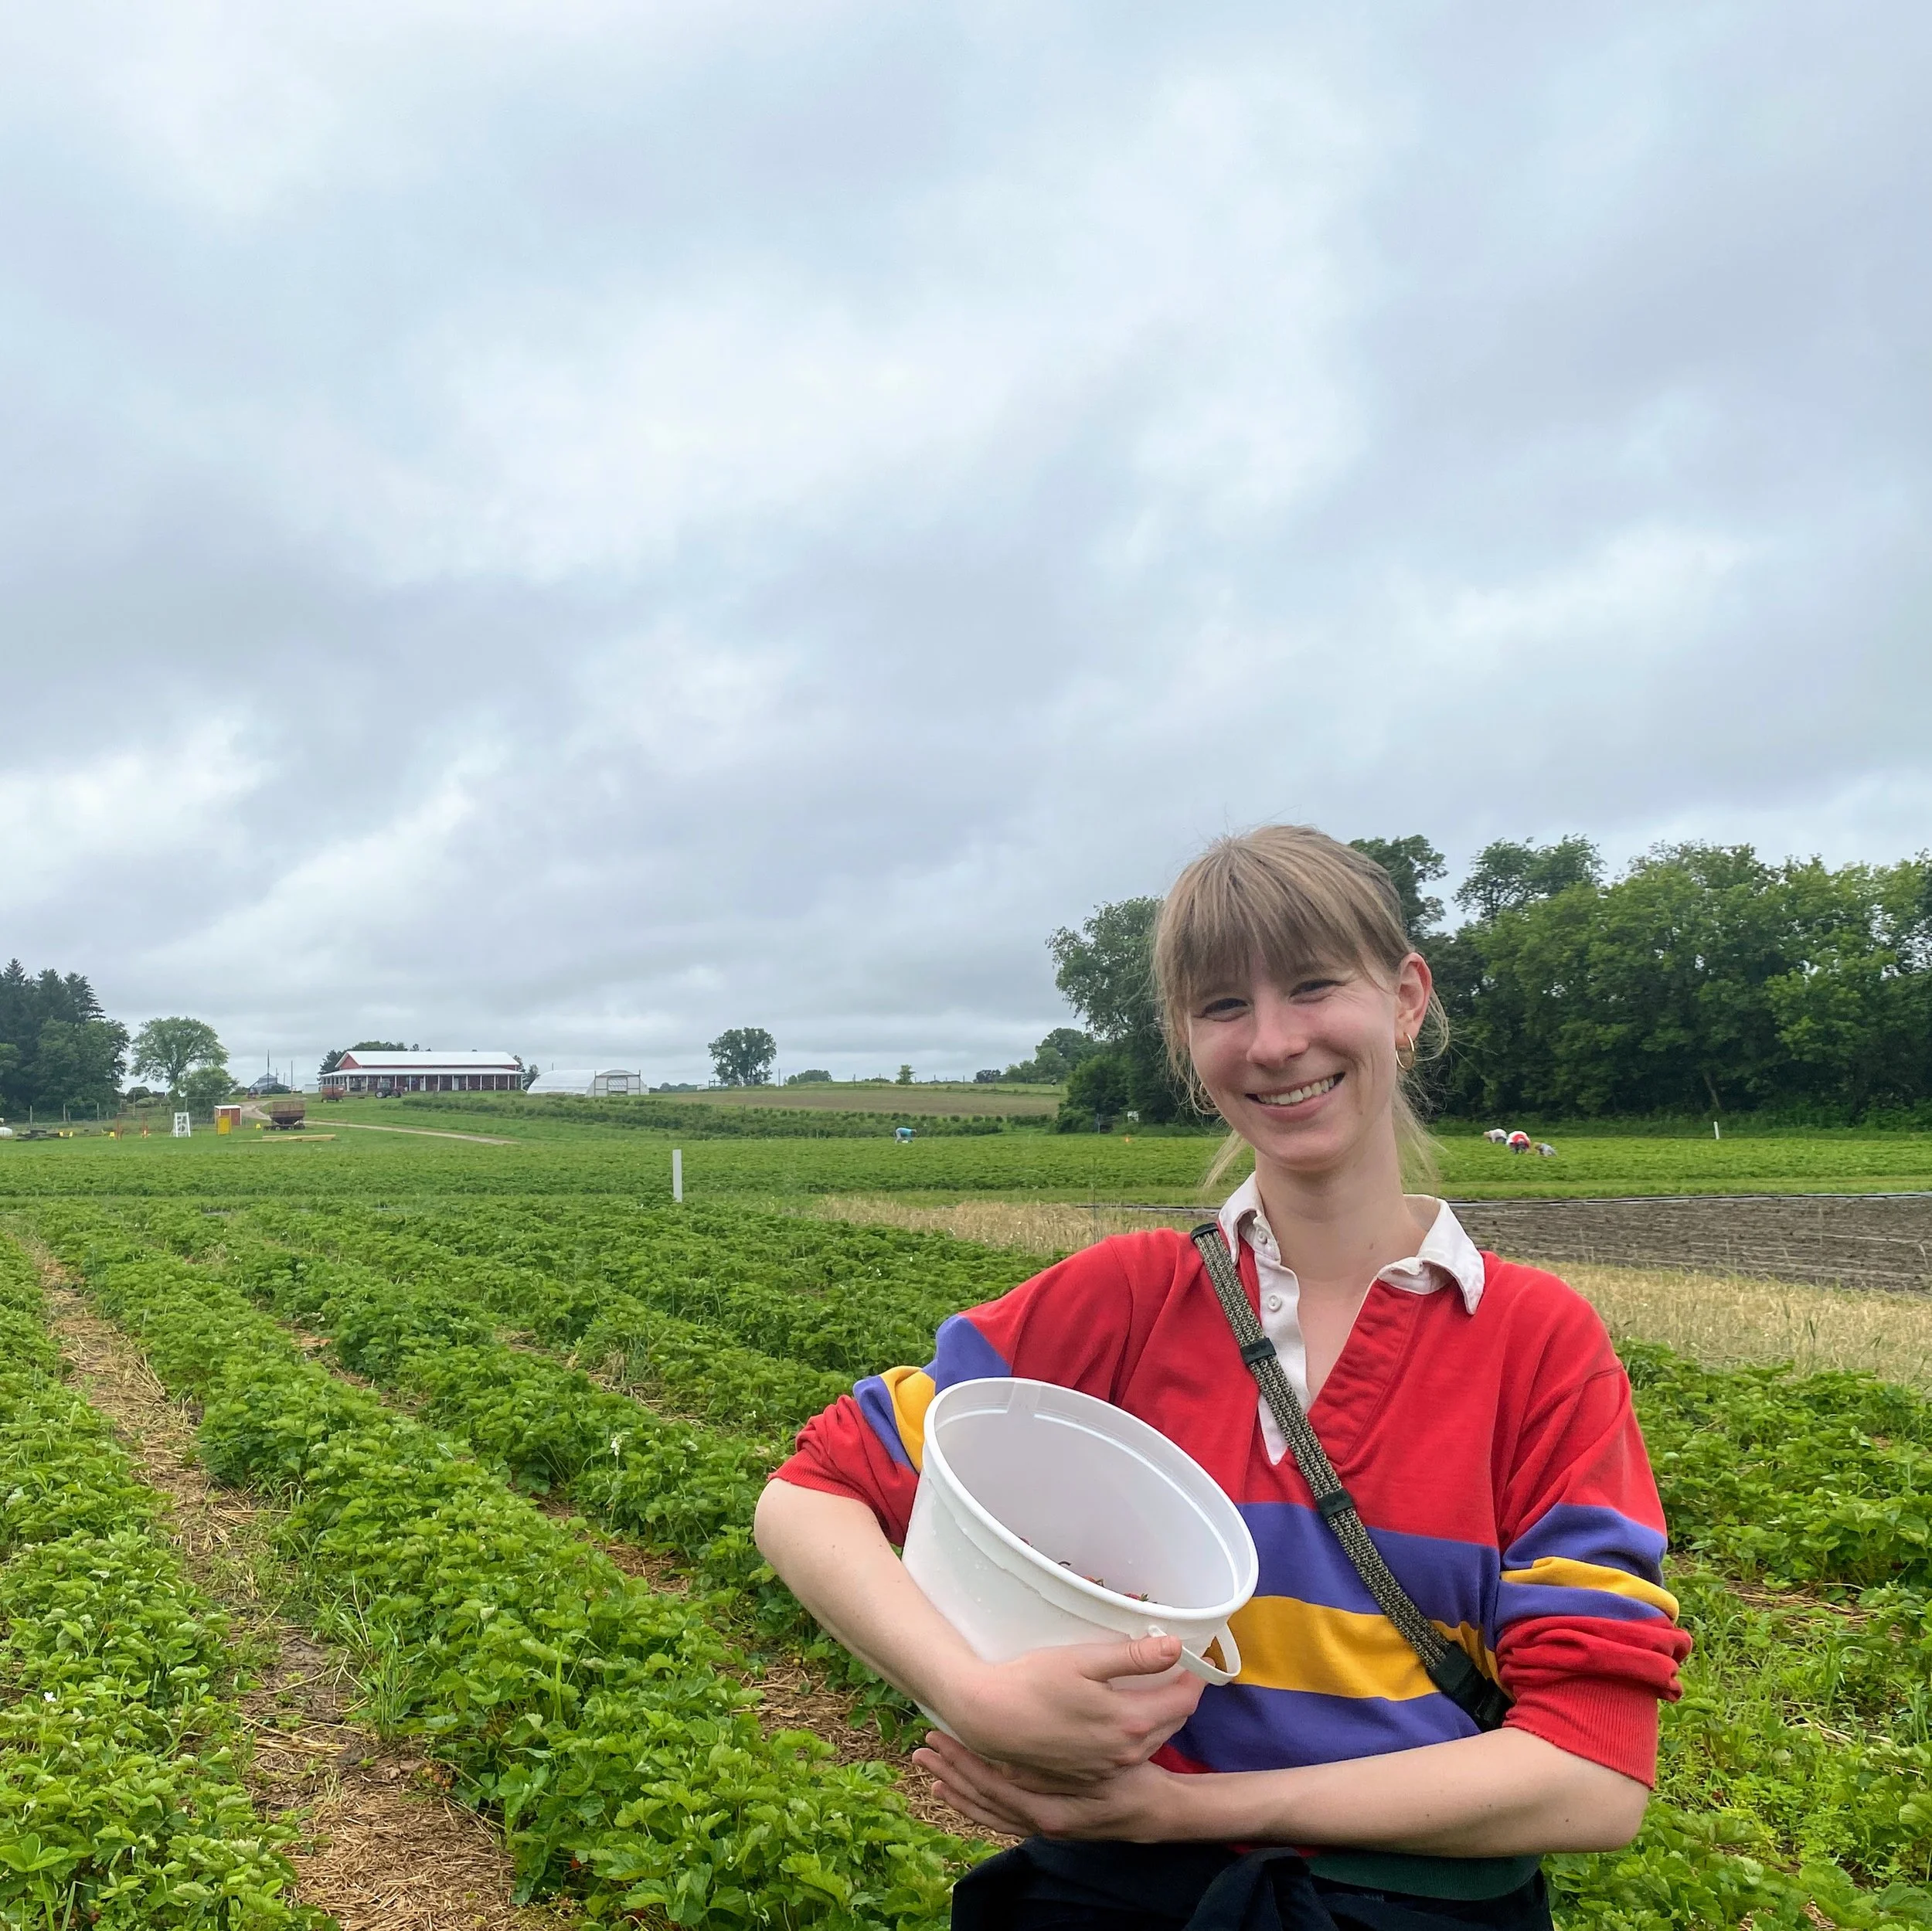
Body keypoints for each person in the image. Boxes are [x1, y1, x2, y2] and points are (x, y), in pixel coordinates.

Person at [755, 826, 1689, 1931]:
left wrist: (1180, 1809)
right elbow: (809, 1492)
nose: (1275, 1042)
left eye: (1311, 986)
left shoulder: (1538, 1345)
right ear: (1186, 1043)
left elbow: (1592, 1773)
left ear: (1405, 998)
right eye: (1223, 1006)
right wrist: (974, 1696)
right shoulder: (1124, 1301)